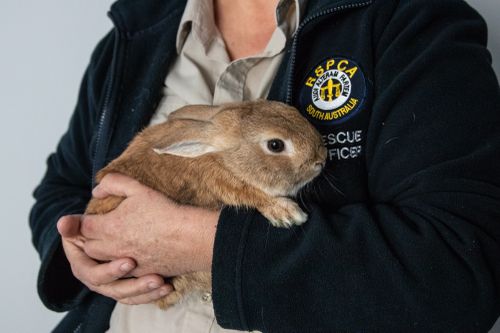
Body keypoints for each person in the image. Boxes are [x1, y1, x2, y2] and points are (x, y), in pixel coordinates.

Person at [30, 0, 500, 331]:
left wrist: (205, 245)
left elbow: (458, 272)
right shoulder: (135, 31)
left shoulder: (410, 22)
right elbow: (63, 188)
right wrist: (80, 250)